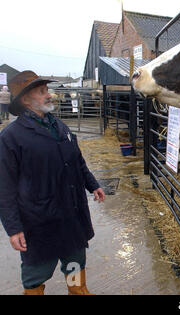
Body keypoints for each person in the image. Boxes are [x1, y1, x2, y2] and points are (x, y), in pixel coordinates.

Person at [0, 71, 106, 295]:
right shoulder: (11, 137)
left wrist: (92, 183)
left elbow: (77, 161)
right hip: (39, 219)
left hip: (71, 211)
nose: (49, 95)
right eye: (42, 91)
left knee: (75, 260)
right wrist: (13, 228)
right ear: (25, 100)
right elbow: (5, 187)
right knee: (37, 271)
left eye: (47, 90)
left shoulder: (59, 126)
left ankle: (78, 291)